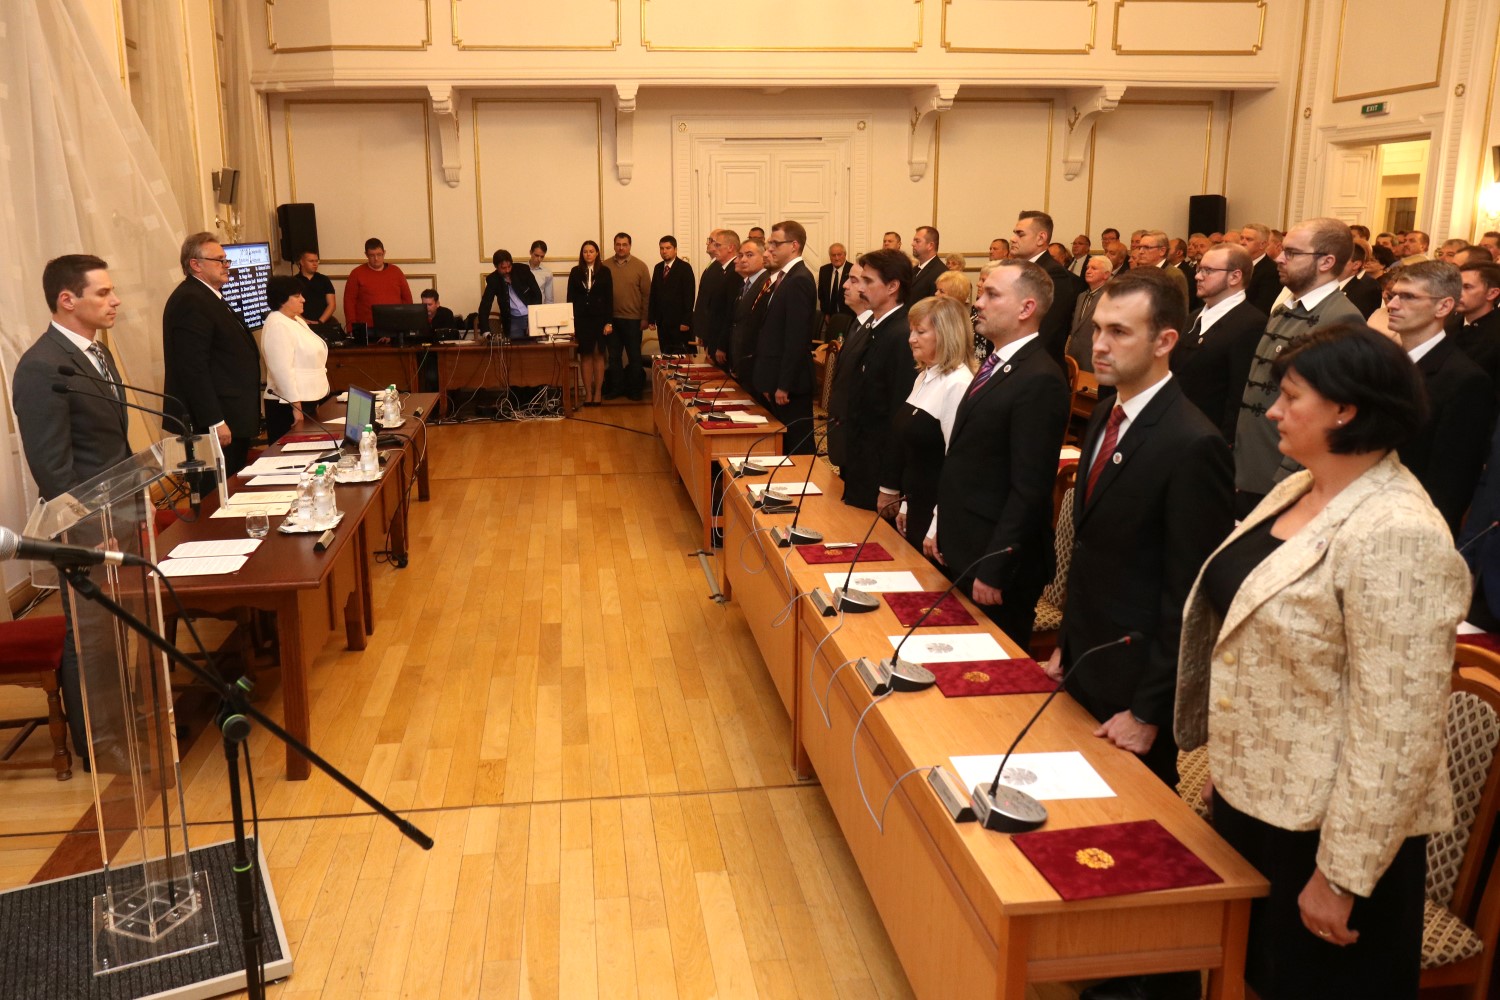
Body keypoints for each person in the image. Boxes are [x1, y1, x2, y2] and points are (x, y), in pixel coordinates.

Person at [1176, 323, 1468, 1000]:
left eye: (1291, 396)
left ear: (1346, 409)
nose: (1273, 411)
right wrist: (1231, 765)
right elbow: (1271, 657)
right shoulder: (1299, 488)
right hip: (1263, 799)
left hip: (1333, 835)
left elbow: (1397, 730)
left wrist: (1342, 875)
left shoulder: (1399, 531)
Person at [1049, 267, 1232, 1000]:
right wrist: (1065, 647)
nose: (1099, 344)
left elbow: (1189, 595)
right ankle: (1090, 960)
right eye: (1097, 329)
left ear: (1164, 341)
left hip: (1137, 684)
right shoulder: (1108, 413)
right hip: (1090, 661)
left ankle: (1147, 981)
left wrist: (1152, 709)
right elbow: (1095, 555)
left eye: (1118, 332)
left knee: (1137, 844)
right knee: (1086, 829)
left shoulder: (1191, 441)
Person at [13, 255, 131, 766]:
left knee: (115, 630)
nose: (115, 300)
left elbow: (110, 444)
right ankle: (98, 746)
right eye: (103, 292)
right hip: (86, 528)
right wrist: (85, 532)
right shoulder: (42, 366)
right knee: (89, 636)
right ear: (68, 299)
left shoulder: (96, 353)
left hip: (120, 514)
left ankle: (123, 720)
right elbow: (53, 467)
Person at [924, 260, 1070, 647]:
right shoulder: (999, 362)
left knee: (989, 667)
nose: (978, 303)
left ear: (1026, 308)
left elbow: (1030, 488)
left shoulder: (1040, 378)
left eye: (992, 294)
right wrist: (944, 528)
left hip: (996, 562)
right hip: (966, 543)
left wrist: (995, 566)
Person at [1233, 218, 1363, 517]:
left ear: (1326, 262)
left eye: (1291, 252)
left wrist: (1288, 476)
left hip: (1282, 476)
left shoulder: (1341, 319)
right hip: (1249, 466)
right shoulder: (1283, 310)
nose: (1279, 258)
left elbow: (1328, 414)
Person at [1387, 261, 1495, 534]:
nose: (1393, 305)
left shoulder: (1466, 380)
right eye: (1393, 295)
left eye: (1408, 296)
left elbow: (1450, 484)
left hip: (1409, 526)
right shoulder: (1385, 363)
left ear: (1444, 306)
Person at [162, 231, 262, 475]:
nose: (226, 265)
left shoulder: (208, 295)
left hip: (232, 414)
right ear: (196, 265)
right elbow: (193, 368)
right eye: (219, 260)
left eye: (226, 260)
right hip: (216, 421)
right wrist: (215, 421)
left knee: (234, 481)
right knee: (217, 490)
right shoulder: (190, 300)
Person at [881, 295, 974, 550]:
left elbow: (956, 465)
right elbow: (915, 454)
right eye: (912, 331)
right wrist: (906, 505)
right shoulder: (924, 376)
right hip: (916, 503)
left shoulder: (957, 384)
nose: (911, 339)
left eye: (920, 332)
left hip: (937, 514)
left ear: (946, 335)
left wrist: (937, 527)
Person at [834, 248, 915, 510]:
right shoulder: (877, 327)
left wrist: (889, 485)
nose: (860, 288)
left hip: (878, 469)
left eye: (868, 281)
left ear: (892, 286)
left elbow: (898, 415)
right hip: (861, 459)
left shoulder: (901, 334)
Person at [1172, 242, 1267, 442]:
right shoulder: (1194, 317)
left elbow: (1239, 392)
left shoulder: (1251, 323)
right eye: (1199, 269)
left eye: (1208, 271)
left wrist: (1225, 441)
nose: (1198, 276)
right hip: (1178, 427)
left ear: (1235, 276)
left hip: (1209, 437)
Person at [753, 220, 818, 449]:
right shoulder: (784, 277)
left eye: (775, 243)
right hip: (776, 375)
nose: (769, 249)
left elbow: (796, 338)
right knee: (781, 442)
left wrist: (784, 384)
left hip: (791, 383)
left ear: (794, 245)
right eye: (769, 243)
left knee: (797, 444)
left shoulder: (799, 279)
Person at [261, 275, 331, 443]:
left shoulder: (296, 320)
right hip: (288, 404)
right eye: (297, 296)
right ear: (282, 300)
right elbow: (282, 371)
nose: (303, 300)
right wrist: (296, 407)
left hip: (307, 398)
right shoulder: (278, 324)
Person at [1012, 210, 1081, 367]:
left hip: (1036, 367)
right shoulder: (1020, 269)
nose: (1013, 239)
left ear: (1041, 238)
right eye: (1014, 233)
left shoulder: (1054, 274)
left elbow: (1047, 331)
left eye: (1020, 234)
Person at [605, 232, 651, 400]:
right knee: (614, 357)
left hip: (634, 320)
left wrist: (645, 318)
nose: (621, 248)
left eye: (624, 244)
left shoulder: (640, 266)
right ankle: (616, 388)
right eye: (618, 244)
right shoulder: (605, 266)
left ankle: (635, 390)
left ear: (630, 246)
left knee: (634, 357)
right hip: (612, 320)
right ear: (614, 245)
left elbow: (647, 295)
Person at [567, 240, 613, 406]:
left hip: (600, 319)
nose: (588, 254)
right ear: (582, 254)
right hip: (582, 320)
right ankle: (588, 393)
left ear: (597, 253)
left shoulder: (605, 271)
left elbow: (609, 298)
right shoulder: (575, 272)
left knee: (598, 354)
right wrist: (571, 323)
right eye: (585, 251)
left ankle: (598, 392)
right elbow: (570, 298)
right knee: (585, 355)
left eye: (591, 251)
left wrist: (609, 322)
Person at [343, 237, 412, 331]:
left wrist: (407, 324)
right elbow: (349, 303)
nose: (376, 258)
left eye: (379, 254)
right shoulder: (356, 273)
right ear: (366, 255)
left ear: (384, 253)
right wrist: (351, 329)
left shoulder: (396, 271)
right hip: (367, 328)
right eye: (372, 255)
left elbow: (407, 299)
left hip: (395, 326)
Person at [729, 237, 773, 386]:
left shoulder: (766, 284)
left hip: (754, 361)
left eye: (749, 255)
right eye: (741, 255)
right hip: (740, 358)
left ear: (763, 256)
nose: (742, 260)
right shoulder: (747, 283)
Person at [477, 249, 544, 339]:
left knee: (536, 345)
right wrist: (485, 331)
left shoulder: (523, 270)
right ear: (496, 267)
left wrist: (533, 320)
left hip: (531, 315)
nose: (507, 270)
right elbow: (485, 305)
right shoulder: (493, 280)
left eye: (509, 266)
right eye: (503, 268)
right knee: (514, 346)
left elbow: (537, 295)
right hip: (513, 320)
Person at [696, 229, 740, 366]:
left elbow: (729, 313)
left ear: (730, 247)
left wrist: (721, 345)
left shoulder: (734, 272)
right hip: (714, 336)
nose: (714, 248)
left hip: (723, 341)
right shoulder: (721, 270)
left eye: (718, 245)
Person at [647, 235, 696, 355]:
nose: (664, 251)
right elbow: (653, 294)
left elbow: (689, 296)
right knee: (666, 355)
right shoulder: (658, 268)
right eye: (662, 248)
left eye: (668, 248)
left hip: (679, 323)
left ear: (675, 249)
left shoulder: (685, 268)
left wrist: (686, 321)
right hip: (662, 322)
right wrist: (651, 318)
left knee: (681, 356)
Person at [1065, 256, 1113, 373]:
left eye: (1094, 268)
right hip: (1074, 357)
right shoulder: (1081, 296)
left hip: (1095, 358)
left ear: (1106, 275)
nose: (1088, 271)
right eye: (1087, 268)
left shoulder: (1110, 297)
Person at [818, 243, 854, 340]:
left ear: (845, 254)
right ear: (830, 257)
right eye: (833, 255)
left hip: (849, 317)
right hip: (830, 318)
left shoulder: (852, 269)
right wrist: (825, 313)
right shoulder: (824, 270)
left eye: (839, 254)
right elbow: (821, 294)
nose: (836, 258)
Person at [293, 250, 337, 329]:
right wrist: (305, 322)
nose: (315, 264)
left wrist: (320, 322)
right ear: (302, 262)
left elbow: (332, 304)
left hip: (323, 323)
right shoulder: (294, 281)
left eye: (316, 261)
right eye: (311, 261)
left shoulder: (324, 279)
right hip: (300, 324)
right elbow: (291, 306)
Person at [908, 225, 943, 302]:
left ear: (930, 245)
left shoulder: (940, 272)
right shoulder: (914, 269)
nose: (912, 244)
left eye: (917, 241)